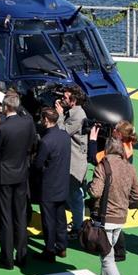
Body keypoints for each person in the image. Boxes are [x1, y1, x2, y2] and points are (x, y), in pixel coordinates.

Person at [88, 137, 138, 275]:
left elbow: (95, 192)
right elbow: (136, 195)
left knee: (107, 259)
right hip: (120, 218)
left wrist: (89, 186)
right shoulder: (130, 167)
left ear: (107, 149)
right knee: (107, 252)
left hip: (105, 218)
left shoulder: (103, 166)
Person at [0, 92, 37, 269]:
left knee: (5, 217)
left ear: (5, 107)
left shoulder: (3, 128)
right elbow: (32, 142)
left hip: (4, 175)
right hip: (20, 173)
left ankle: (7, 258)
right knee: (20, 215)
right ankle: (22, 255)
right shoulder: (27, 123)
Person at [33, 107, 71, 261]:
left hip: (48, 186)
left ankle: (49, 250)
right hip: (62, 184)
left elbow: (38, 165)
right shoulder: (64, 136)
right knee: (60, 218)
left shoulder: (46, 141)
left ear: (46, 120)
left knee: (48, 220)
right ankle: (61, 246)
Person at [57, 85, 88, 238]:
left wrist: (60, 115)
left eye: (65, 97)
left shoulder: (77, 115)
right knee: (73, 195)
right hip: (72, 160)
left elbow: (63, 133)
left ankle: (78, 227)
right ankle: (77, 223)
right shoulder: (75, 112)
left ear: (73, 100)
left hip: (74, 163)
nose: (63, 98)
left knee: (75, 196)